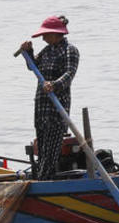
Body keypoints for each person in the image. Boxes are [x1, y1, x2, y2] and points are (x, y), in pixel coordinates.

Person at [19, 15, 79, 180]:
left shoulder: (70, 50)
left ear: (55, 34)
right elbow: (33, 66)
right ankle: (41, 177)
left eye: (46, 35)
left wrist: (54, 85)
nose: (43, 38)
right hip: (41, 106)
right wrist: (28, 52)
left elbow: (69, 74)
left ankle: (46, 179)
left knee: (52, 149)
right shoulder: (47, 51)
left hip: (56, 107)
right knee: (42, 147)